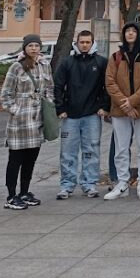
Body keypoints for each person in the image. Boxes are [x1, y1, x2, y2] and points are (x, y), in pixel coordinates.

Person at [104, 22, 140, 201]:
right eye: (127, 31)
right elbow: (110, 82)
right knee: (121, 148)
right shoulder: (116, 57)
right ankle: (122, 183)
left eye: (134, 31)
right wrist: (125, 104)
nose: (130, 34)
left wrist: (133, 102)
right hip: (120, 111)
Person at [0, 34, 54, 210]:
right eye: (30, 45)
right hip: (20, 121)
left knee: (31, 158)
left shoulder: (45, 65)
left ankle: (25, 191)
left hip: (37, 118)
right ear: (24, 48)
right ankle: (11, 195)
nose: (33, 48)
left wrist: (49, 105)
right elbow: (5, 95)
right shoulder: (16, 67)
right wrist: (17, 110)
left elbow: (49, 89)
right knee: (16, 159)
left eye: (36, 45)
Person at [53, 30, 109, 199]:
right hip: (70, 115)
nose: (84, 45)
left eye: (88, 42)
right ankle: (67, 185)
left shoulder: (101, 62)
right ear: (76, 43)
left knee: (91, 150)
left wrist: (104, 106)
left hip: (92, 115)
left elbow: (108, 86)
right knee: (67, 152)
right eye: (82, 42)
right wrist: (60, 108)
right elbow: (57, 86)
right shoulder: (67, 63)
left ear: (93, 43)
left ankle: (89, 183)